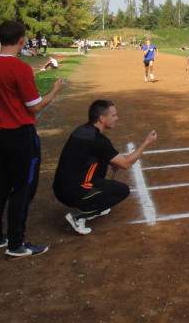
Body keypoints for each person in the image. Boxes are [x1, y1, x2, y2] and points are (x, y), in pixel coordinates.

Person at [0, 20, 66, 259]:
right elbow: (35, 105)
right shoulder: (19, 68)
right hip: (19, 134)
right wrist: (55, 90)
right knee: (23, 187)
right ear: (21, 40)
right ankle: (16, 244)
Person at [53, 100, 157, 235]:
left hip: (62, 187)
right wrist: (146, 143)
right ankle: (79, 215)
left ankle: (91, 207)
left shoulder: (83, 131)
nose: (116, 118)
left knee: (104, 165)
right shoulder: (97, 140)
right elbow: (126, 164)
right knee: (121, 190)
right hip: (73, 192)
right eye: (113, 115)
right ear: (102, 118)